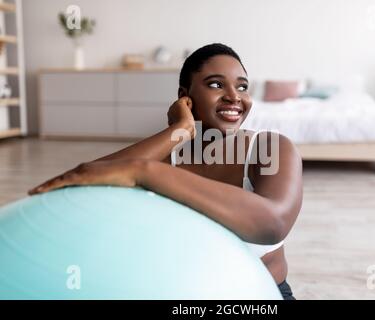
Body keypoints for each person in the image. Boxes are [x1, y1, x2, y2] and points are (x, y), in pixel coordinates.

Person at [29, 43, 303, 300]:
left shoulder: (270, 147)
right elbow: (86, 182)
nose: (234, 97)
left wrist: (146, 173)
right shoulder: (168, 152)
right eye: (216, 84)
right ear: (186, 98)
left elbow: (273, 224)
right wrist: (178, 131)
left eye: (242, 87)